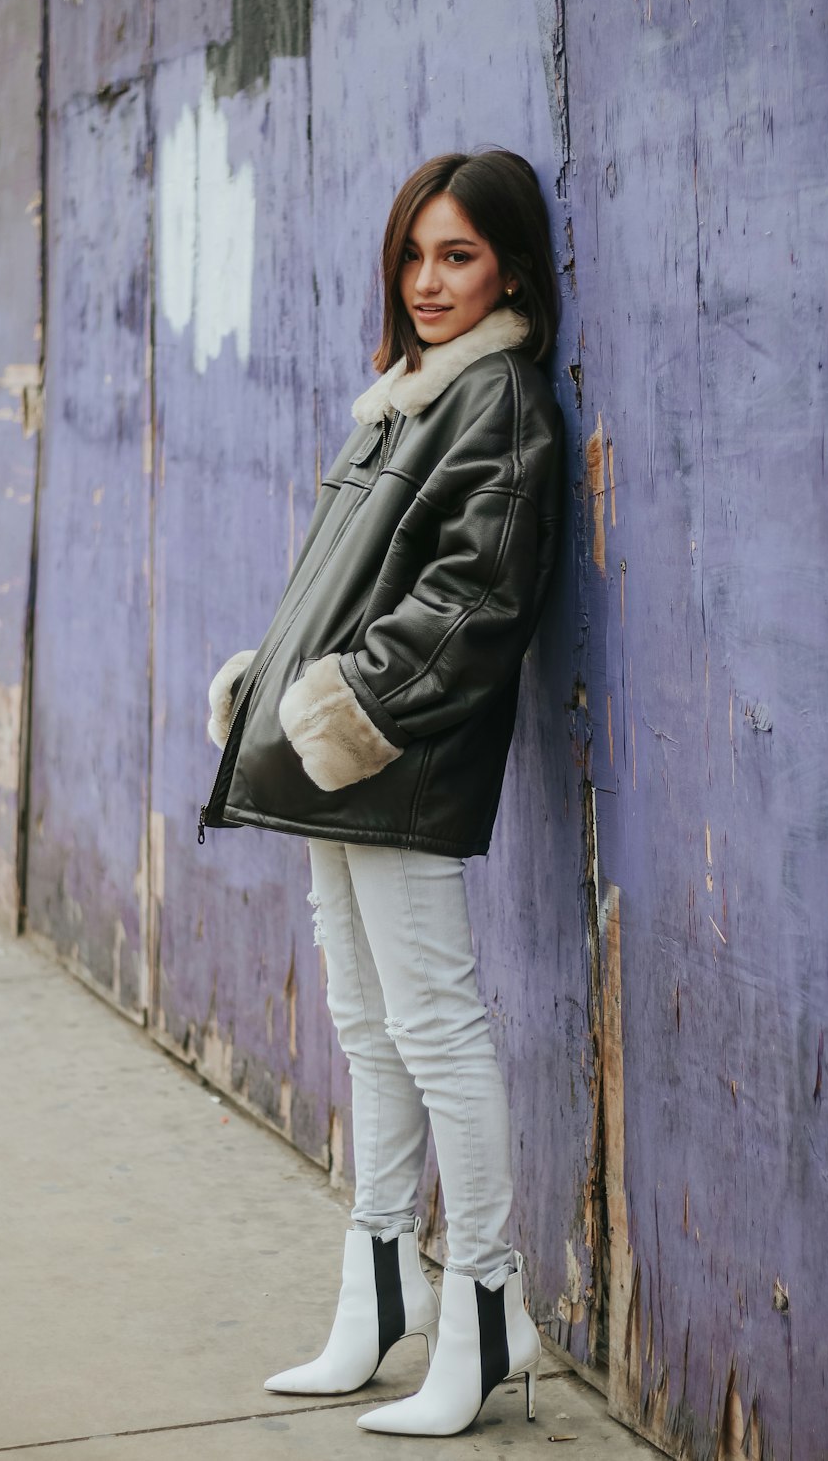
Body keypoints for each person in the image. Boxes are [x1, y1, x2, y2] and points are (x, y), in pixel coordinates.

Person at [198, 149, 564, 1437]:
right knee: (367, 1022)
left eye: (457, 255)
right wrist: (278, 680)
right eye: (415, 254)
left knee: (438, 1027)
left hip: (395, 763)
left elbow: (472, 605)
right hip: (334, 758)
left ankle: (484, 1304)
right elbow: (346, 590)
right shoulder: (404, 399)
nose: (428, 280)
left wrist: (344, 706)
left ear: (510, 268)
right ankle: (379, 1293)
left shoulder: (501, 403)